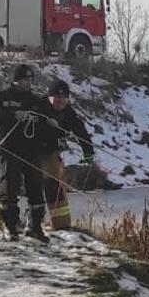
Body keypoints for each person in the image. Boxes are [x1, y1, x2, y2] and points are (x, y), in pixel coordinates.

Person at [0, 64, 51, 241]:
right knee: (9, 188)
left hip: (30, 150)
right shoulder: (3, 98)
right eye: (24, 80)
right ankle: (11, 226)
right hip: (10, 149)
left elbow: (45, 122)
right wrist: (13, 115)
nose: (27, 83)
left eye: (30, 80)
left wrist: (51, 124)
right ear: (16, 80)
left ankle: (35, 226)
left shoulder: (37, 101)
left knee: (36, 187)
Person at [37, 79, 96, 231]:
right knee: (18, 180)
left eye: (63, 98)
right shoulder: (38, 106)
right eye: (56, 97)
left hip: (51, 151)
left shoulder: (68, 112)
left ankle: (61, 223)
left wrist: (88, 152)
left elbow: (80, 131)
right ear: (49, 97)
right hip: (31, 149)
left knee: (54, 183)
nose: (60, 100)